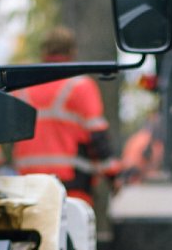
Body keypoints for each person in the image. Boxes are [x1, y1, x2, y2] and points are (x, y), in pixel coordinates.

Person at [11, 26, 119, 206]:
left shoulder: (21, 90)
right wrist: (114, 176)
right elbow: (98, 138)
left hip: (28, 191)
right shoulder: (80, 87)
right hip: (71, 191)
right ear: (72, 51)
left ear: (43, 51)